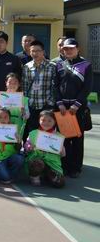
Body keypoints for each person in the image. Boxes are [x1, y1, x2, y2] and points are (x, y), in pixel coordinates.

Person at [55, 38, 93, 178]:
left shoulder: (86, 65)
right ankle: (65, 166)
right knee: (63, 138)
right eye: (66, 48)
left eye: (71, 48)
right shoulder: (59, 65)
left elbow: (87, 88)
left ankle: (76, 168)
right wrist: (59, 103)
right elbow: (55, 86)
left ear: (78, 49)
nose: (68, 51)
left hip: (78, 108)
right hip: (62, 108)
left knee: (77, 139)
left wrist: (76, 105)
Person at [22, 40, 56, 135]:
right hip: (31, 106)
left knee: (46, 133)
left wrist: (50, 103)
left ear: (43, 52)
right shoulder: (26, 67)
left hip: (46, 106)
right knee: (32, 132)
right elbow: (24, 87)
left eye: (38, 51)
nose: (35, 53)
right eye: (32, 51)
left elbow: (55, 87)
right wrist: (25, 105)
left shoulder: (52, 66)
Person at [24, 111, 66, 188]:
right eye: (43, 120)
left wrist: (61, 150)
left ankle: (47, 175)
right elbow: (26, 148)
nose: (46, 123)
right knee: (37, 163)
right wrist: (29, 147)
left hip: (52, 163)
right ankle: (34, 176)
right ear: (39, 120)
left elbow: (63, 155)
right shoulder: (33, 133)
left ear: (54, 122)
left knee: (60, 183)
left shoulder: (58, 136)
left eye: (49, 121)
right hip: (37, 160)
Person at [0, 107, 24, 184]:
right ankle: (0, 172)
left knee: (19, 159)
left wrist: (18, 142)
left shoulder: (13, 130)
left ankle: (2, 173)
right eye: (0, 117)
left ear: (9, 119)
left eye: (5, 117)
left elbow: (18, 149)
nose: (3, 119)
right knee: (6, 178)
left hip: (10, 156)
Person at [0, 73, 30, 139]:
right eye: (10, 82)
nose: (12, 85)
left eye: (15, 83)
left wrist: (24, 112)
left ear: (19, 84)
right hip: (2, 123)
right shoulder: (0, 97)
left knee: (15, 143)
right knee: (2, 141)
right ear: (6, 83)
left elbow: (27, 116)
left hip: (18, 124)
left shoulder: (23, 99)